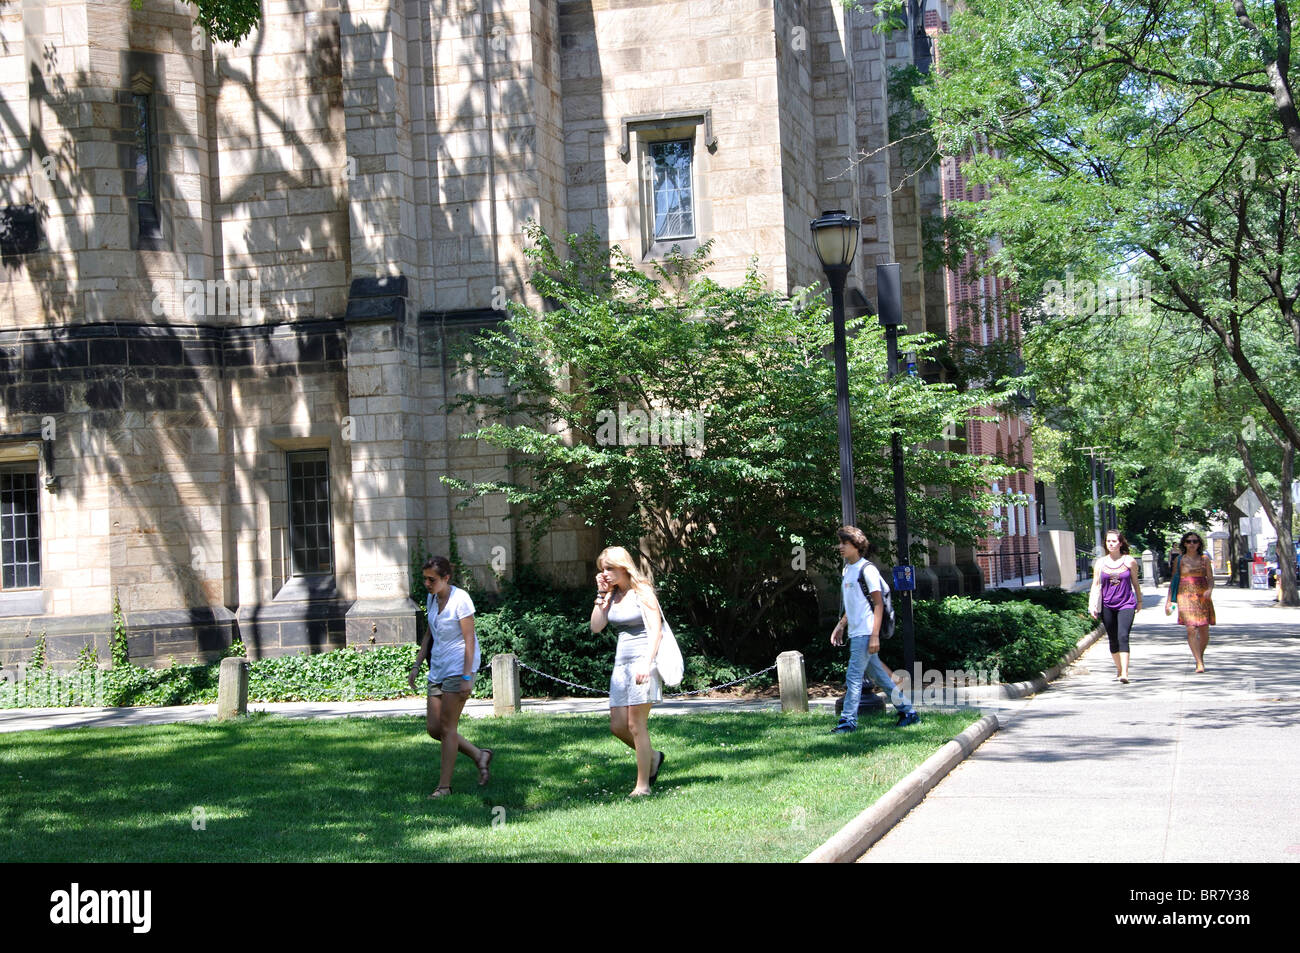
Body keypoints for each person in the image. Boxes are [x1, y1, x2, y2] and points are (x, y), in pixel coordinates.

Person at [408, 556, 492, 798]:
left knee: (448, 727)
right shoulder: (432, 598)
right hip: (439, 667)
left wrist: (467, 676)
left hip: (459, 667)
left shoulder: (461, 600)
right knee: (434, 728)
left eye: (431, 579)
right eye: (424, 578)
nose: (427, 583)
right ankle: (479, 755)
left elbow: (469, 641)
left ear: (446, 578)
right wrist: (416, 665)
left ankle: (444, 787)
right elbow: (428, 634)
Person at [591, 546, 666, 797]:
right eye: (603, 569)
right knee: (617, 726)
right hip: (621, 666)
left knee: (636, 725)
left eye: (610, 568)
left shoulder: (642, 590)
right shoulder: (611, 596)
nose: (606, 573)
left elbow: (656, 631)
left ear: (623, 567)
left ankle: (642, 786)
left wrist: (647, 662)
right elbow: (596, 627)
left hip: (643, 661)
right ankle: (653, 757)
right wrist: (602, 594)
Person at [829, 526, 919, 732]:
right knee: (880, 677)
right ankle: (908, 712)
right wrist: (841, 625)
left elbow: (878, 604)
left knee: (853, 677)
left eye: (844, 543)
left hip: (866, 632)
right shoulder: (847, 570)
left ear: (856, 546)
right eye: (840, 542)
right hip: (856, 632)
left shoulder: (867, 569)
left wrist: (874, 636)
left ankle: (847, 722)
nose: (840, 546)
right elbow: (853, 604)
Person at [1089, 529, 1141, 682]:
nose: (1111, 544)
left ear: (1120, 543)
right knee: (1113, 639)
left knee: (1123, 636)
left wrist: (1139, 601)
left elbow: (1136, 584)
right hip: (1107, 605)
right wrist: (1092, 605)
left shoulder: (1129, 561)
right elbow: (1095, 584)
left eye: (1114, 541)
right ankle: (1118, 668)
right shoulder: (1100, 563)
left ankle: (1124, 672)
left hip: (1126, 603)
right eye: (1108, 541)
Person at [1164, 530, 1215, 673]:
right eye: (1188, 541)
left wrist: (1210, 589)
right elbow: (1174, 580)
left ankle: (1200, 655)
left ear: (1199, 544)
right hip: (1184, 595)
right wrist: (1169, 601)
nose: (1192, 544)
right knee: (1191, 628)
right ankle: (1199, 662)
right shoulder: (1179, 560)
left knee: (1204, 629)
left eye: (1195, 541)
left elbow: (1210, 578)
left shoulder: (1204, 559)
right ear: (1184, 544)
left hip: (1202, 595)